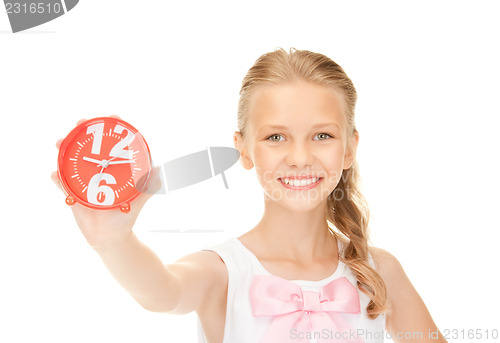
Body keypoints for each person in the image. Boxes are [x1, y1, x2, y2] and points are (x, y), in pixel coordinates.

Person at [52, 48, 448, 343]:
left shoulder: (380, 271)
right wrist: (113, 241)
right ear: (244, 149)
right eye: (276, 137)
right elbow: (162, 292)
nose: (299, 157)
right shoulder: (222, 271)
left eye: (322, 136)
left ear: (349, 148)